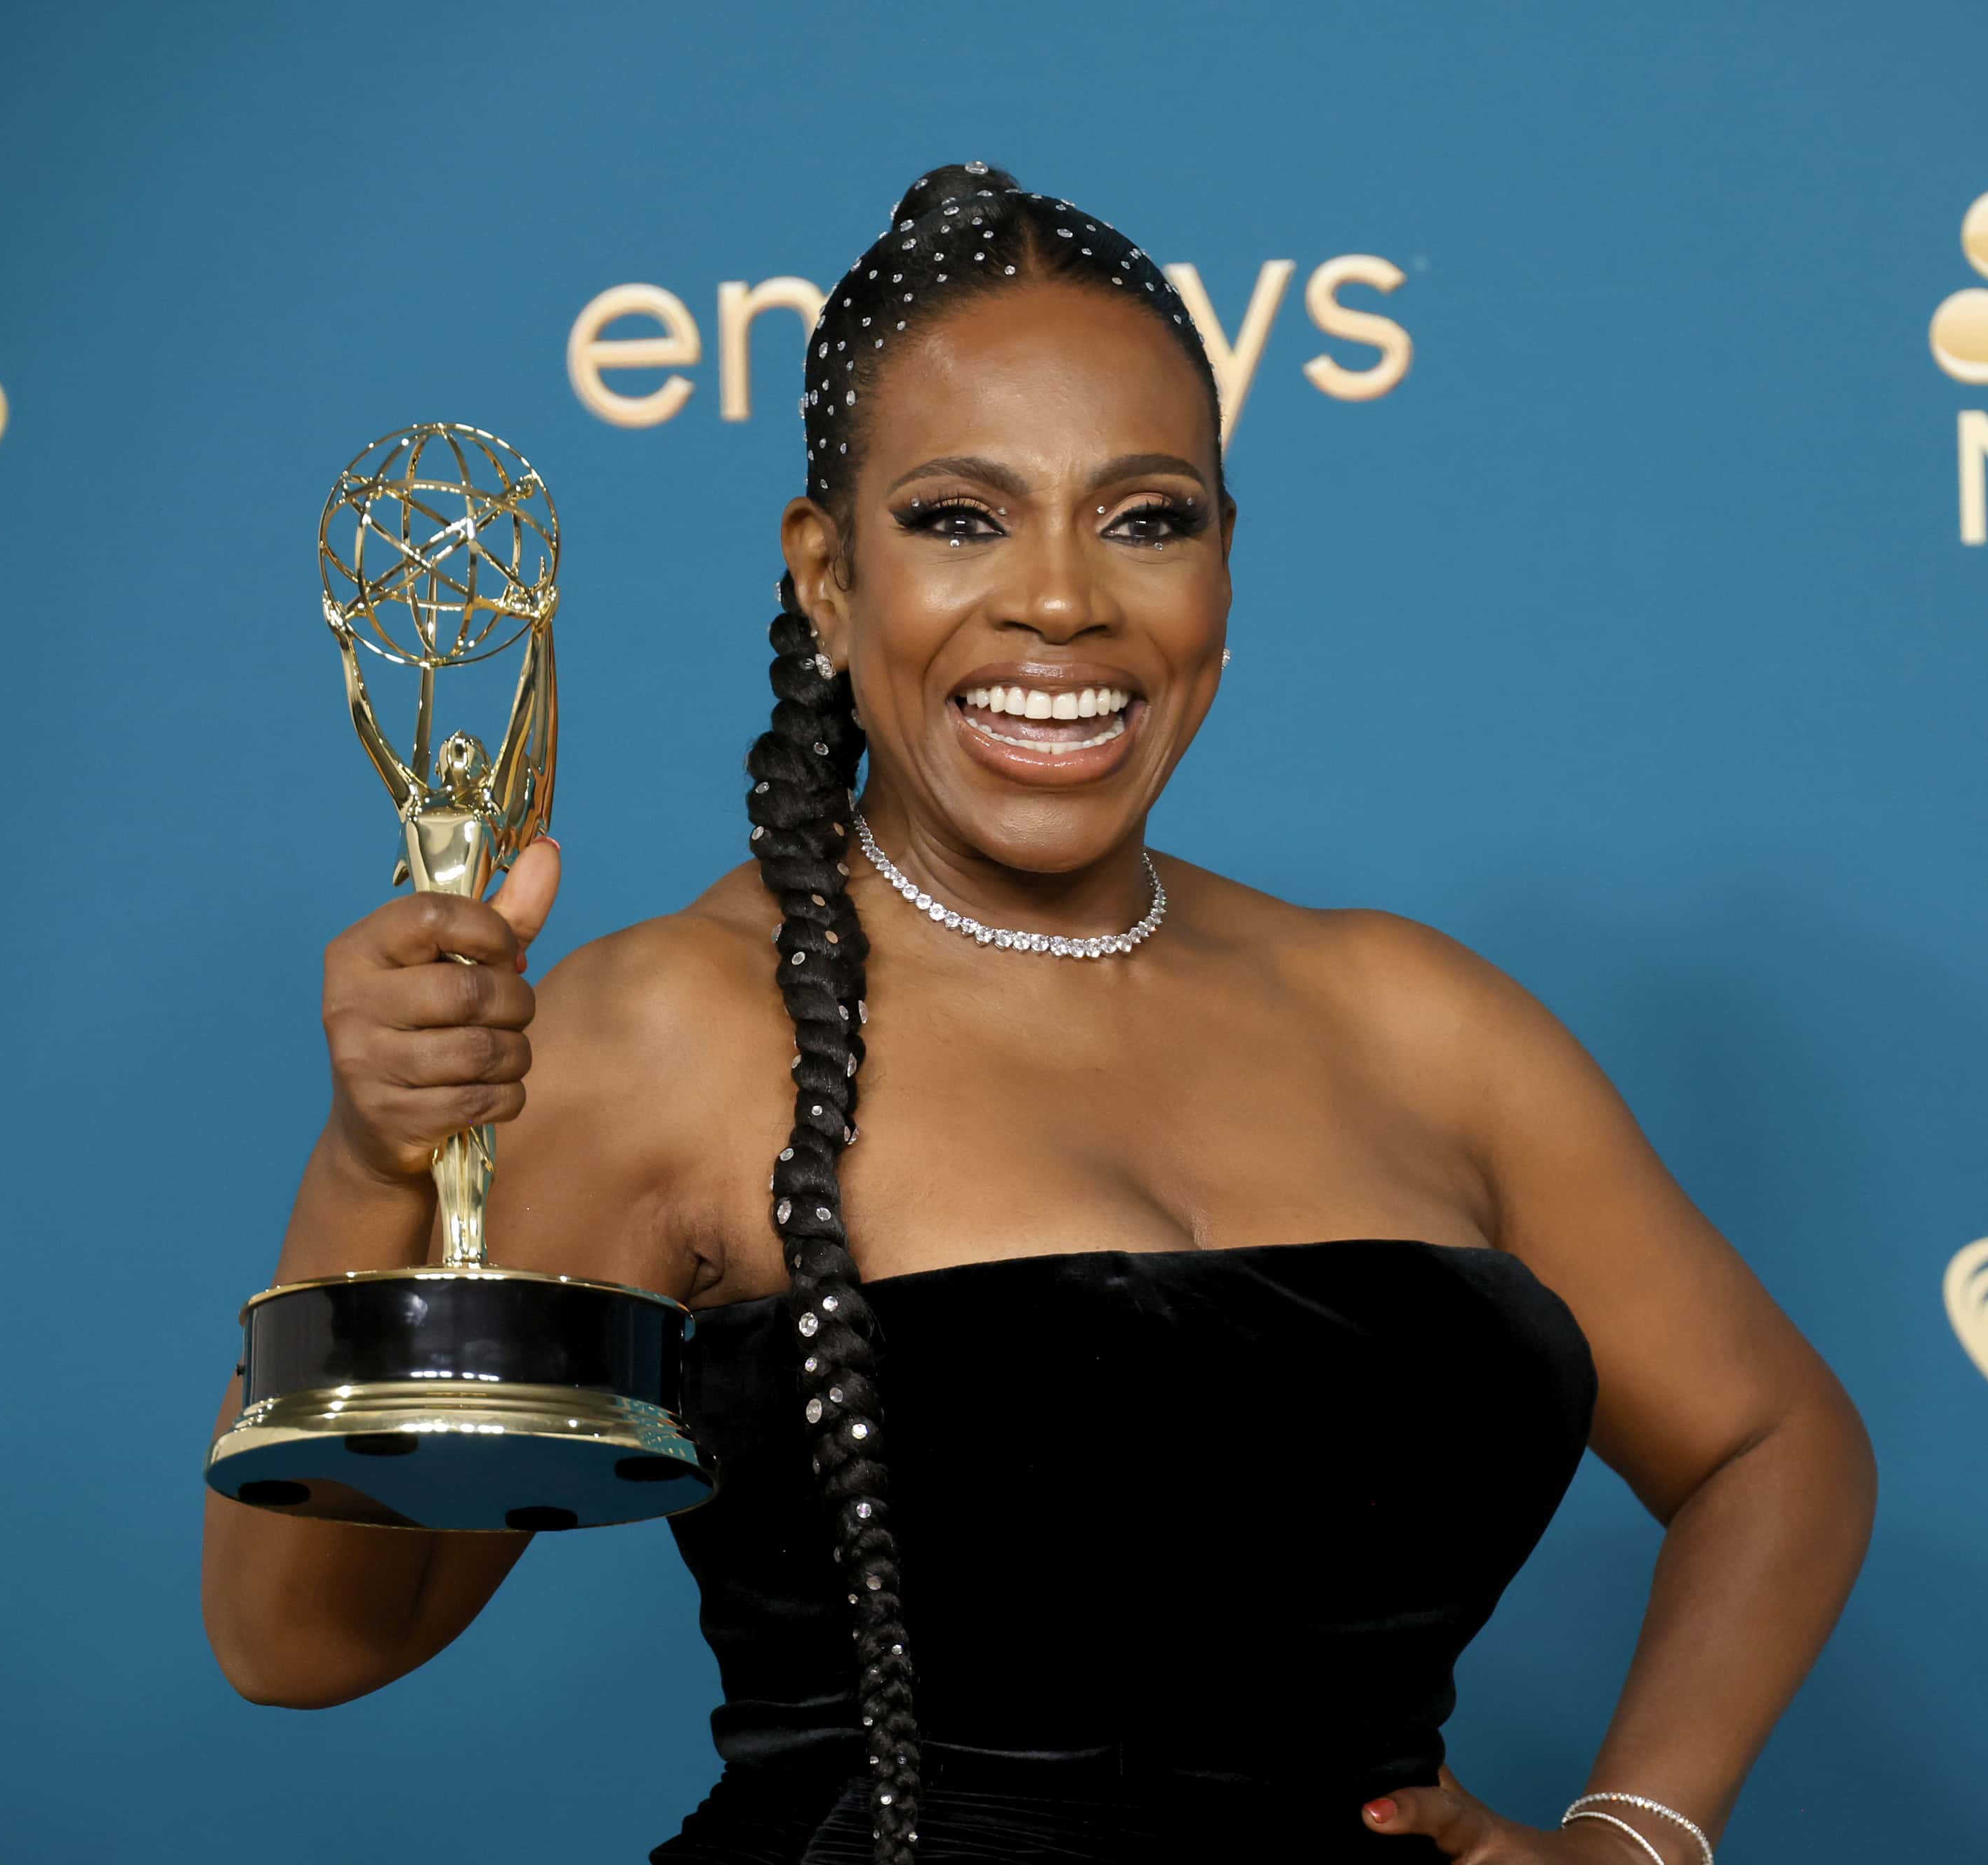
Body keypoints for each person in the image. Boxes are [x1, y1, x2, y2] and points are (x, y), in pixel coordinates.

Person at [200, 160, 1878, 1865]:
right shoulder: (664, 1031)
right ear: (827, 577)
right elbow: (309, 1636)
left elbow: (1772, 1439)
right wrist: (371, 1163)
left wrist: (1642, 1829)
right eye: (959, 515)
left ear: (1227, 567)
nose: (1063, 599)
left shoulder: (1422, 1019)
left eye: (1147, 516)